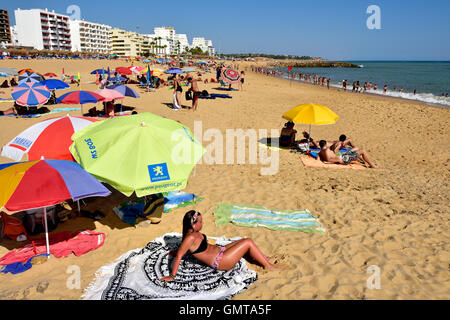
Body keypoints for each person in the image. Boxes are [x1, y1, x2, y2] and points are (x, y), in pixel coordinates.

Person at [159, 210, 281, 283]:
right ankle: (268, 266)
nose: (202, 223)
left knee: (243, 240)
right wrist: (172, 276)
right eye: (200, 222)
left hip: (221, 251)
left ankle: (265, 259)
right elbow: (180, 254)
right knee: (247, 242)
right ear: (193, 225)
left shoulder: (192, 234)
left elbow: (182, 250)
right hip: (221, 261)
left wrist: (174, 252)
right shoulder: (190, 238)